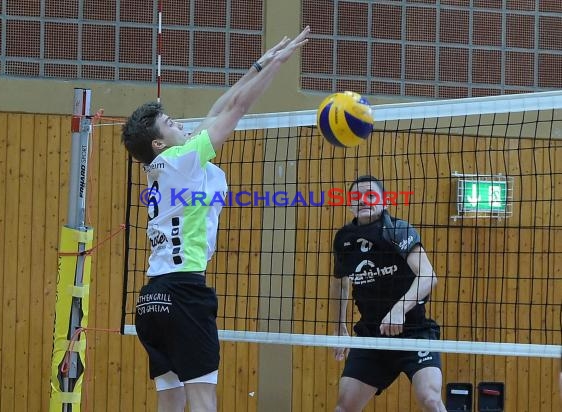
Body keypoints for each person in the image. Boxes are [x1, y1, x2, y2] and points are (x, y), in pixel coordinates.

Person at [121, 26, 310, 412]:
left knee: (170, 406)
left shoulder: (166, 165)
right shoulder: (183, 161)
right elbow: (235, 109)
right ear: (159, 143)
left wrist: (259, 64)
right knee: (203, 403)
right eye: (171, 123)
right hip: (184, 294)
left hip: (152, 300)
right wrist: (277, 66)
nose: (179, 123)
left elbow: (220, 106)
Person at [330, 175, 446, 412]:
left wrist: (399, 309)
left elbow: (428, 276)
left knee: (431, 399)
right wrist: (338, 326)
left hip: (413, 333)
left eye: (371, 195)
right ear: (350, 204)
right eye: (356, 197)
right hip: (372, 336)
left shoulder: (398, 230)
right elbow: (340, 283)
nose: (363, 200)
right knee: (344, 407)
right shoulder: (344, 240)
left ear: (384, 202)